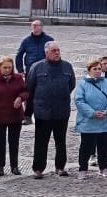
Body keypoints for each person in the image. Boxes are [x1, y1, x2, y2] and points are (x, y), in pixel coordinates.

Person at [24, 42, 78, 179]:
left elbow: (71, 85)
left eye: (58, 50)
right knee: (41, 141)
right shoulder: (37, 67)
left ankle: (60, 167)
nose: (57, 53)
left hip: (61, 110)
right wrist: (28, 113)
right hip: (43, 111)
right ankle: (38, 169)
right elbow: (30, 87)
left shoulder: (67, 66)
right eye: (54, 50)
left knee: (61, 141)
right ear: (46, 52)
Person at [75, 56, 107, 177]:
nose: (98, 71)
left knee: (103, 146)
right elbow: (79, 101)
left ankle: (103, 168)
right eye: (95, 69)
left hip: (105, 120)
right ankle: (83, 169)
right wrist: (92, 113)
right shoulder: (83, 84)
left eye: (99, 69)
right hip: (88, 121)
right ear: (89, 70)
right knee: (86, 146)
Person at [0, 56, 28, 176]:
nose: (7, 70)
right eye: (5, 67)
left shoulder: (18, 78)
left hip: (15, 115)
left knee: (14, 142)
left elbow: (25, 91)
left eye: (10, 67)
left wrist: (20, 98)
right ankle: (0, 166)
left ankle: (14, 166)